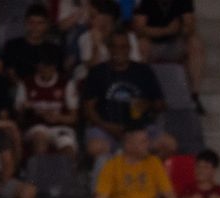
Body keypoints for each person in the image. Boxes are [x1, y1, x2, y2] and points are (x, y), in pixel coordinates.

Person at [81, 28, 170, 158]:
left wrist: (148, 104)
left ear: (129, 48)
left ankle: (145, 170)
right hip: (106, 129)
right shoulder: (97, 72)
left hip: (140, 130)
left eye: (123, 47)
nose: (119, 51)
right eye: (115, 47)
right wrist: (108, 127)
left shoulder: (144, 71)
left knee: (169, 144)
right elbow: (88, 110)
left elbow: (161, 104)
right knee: (95, 147)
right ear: (108, 48)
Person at [133, 0, 207, 115]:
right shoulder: (145, 2)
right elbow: (139, 29)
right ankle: (144, 96)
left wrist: (179, 30)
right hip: (154, 45)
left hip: (175, 43)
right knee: (142, 44)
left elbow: (190, 26)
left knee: (195, 43)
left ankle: (194, 96)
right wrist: (165, 31)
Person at [14, 43, 79, 158]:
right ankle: (40, 175)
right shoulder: (26, 84)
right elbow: (19, 119)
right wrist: (25, 110)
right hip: (36, 127)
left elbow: (73, 118)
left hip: (61, 127)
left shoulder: (66, 84)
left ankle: (66, 175)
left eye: (48, 65)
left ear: (54, 65)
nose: (45, 69)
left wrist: (57, 118)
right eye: (42, 65)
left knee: (68, 148)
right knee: (40, 139)